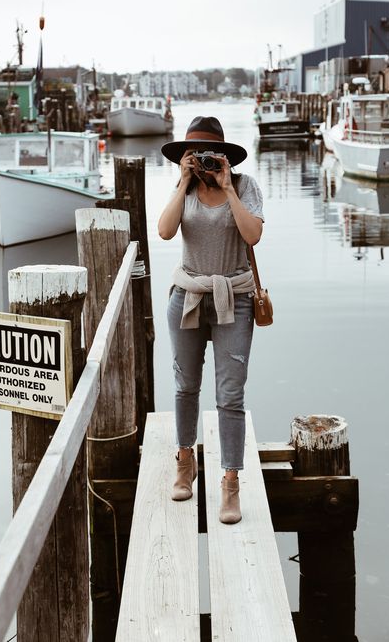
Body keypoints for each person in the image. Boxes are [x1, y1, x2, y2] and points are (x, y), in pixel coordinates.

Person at [158, 116, 264, 524]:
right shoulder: (182, 189)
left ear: (224, 155)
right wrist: (184, 183)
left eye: (211, 154)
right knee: (185, 386)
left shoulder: (245, 186)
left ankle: (231, 482)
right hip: (186, 297)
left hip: (234, 301)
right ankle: (186, 460)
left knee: (230, 396)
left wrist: (226, 187)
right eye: (196, 155)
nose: (204, 161)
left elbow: (252, 235)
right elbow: (165, 232)